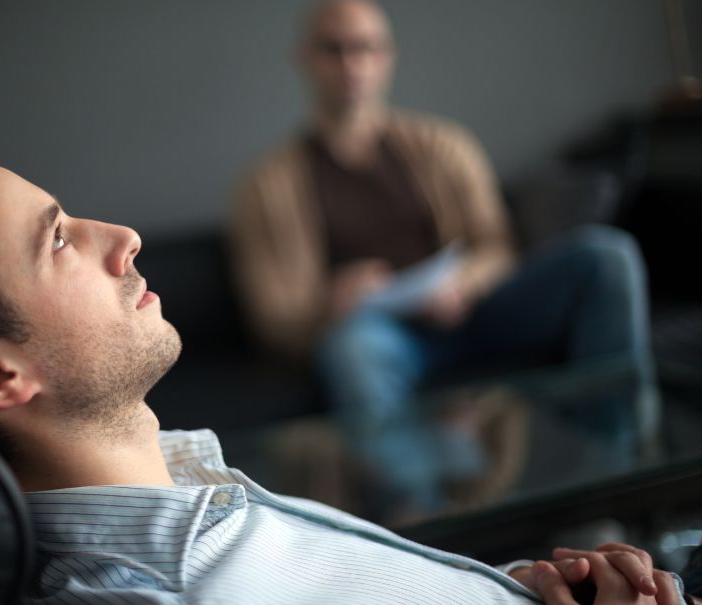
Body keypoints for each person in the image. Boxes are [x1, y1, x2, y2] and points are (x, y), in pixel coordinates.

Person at [0, 143, 688, 604]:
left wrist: (510, 583)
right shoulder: (150, 588)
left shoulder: (188, 485)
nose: (125, 237)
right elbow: (286, 307)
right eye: (58, 237)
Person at [231, 0, 658, 515]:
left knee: (606, 256)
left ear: (387, 57)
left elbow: (495, 245)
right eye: (333, 50)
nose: (351, 65)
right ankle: (425, 522)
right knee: (353, 348)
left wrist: (465, 284)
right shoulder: (265, 186)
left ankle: (617, 479)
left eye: (365, 48)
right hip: (378, 334)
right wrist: (333, 301)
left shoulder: (443, 144)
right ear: (305, 59)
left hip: (471, 311)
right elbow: (274, 318)